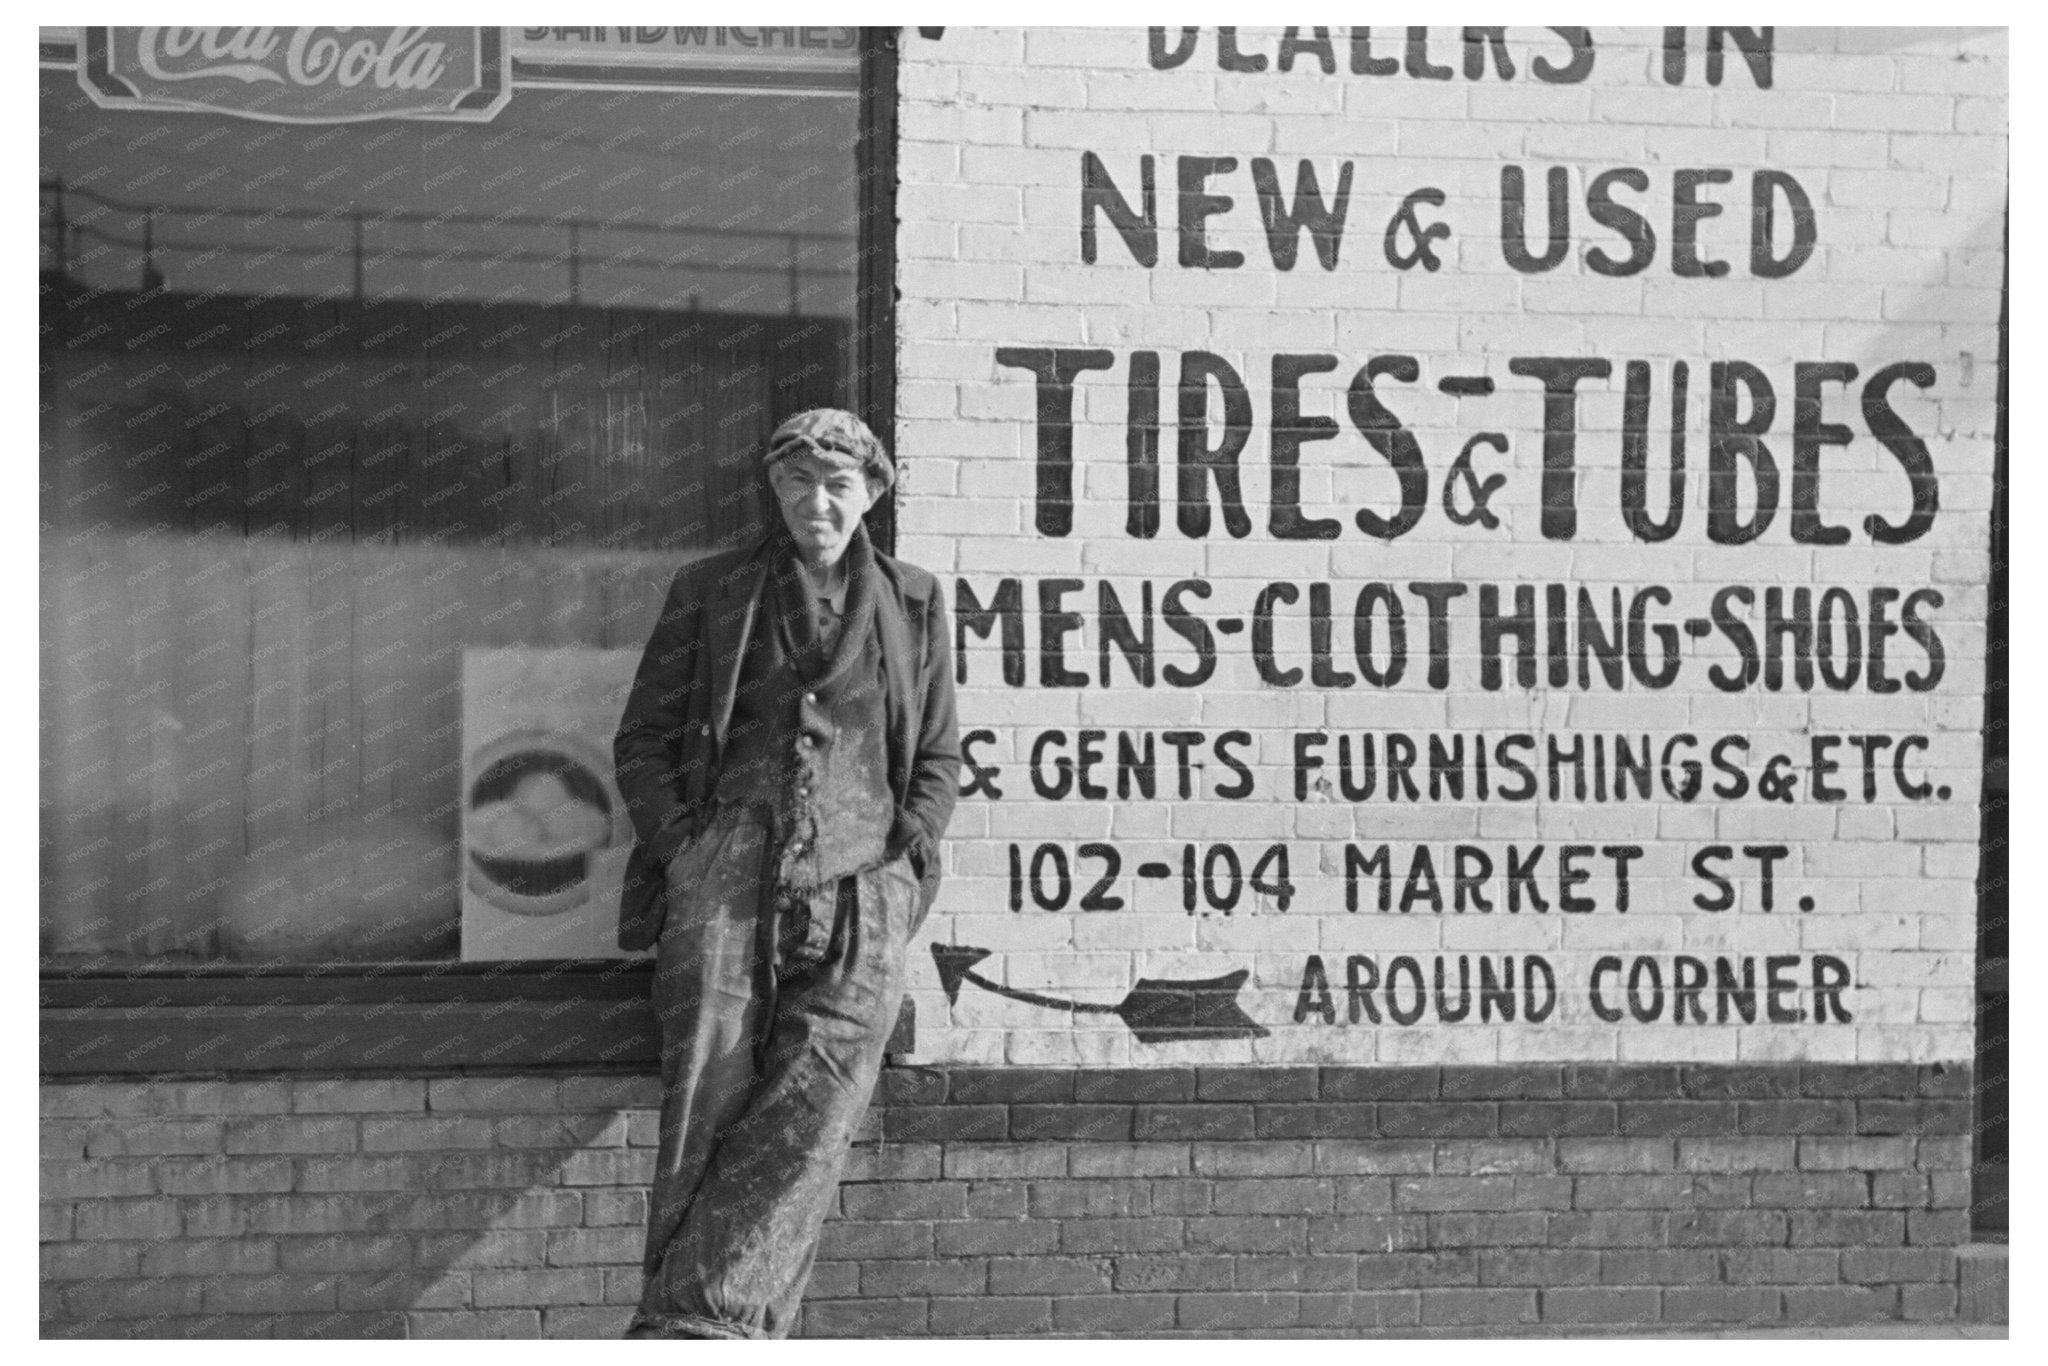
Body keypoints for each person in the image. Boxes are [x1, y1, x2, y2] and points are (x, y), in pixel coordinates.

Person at [611, 408, 960, 1339]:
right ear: (774, 490)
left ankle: (696, 1324)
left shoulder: (916, 600)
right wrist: (685, 852)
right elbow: (644, 739)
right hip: (726, 872)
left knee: (817, 1110)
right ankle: (714, 1330)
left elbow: (935, 755)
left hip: (862, 885)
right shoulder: (713, 590)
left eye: (839, 484)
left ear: (871, 496)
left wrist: (905, 861)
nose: (818, 500)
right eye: (799, 481)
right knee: (707, 1099)